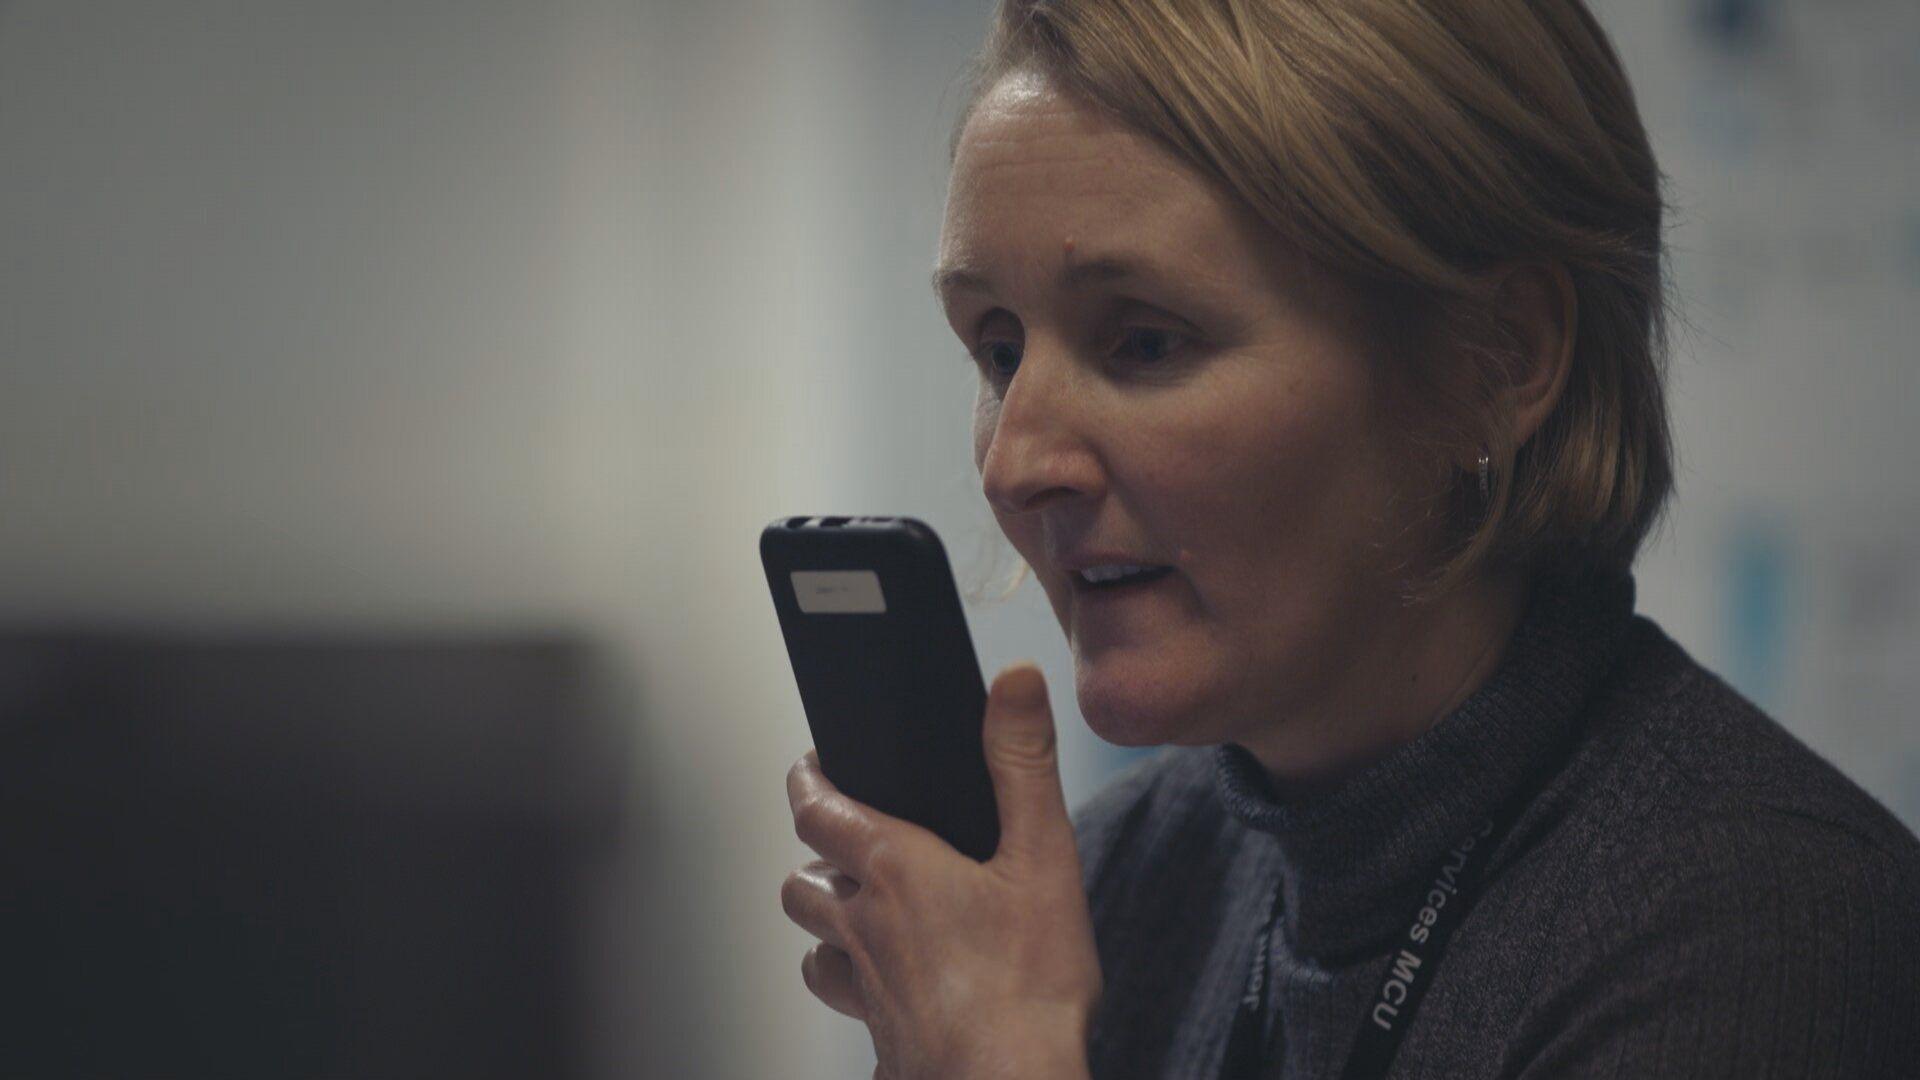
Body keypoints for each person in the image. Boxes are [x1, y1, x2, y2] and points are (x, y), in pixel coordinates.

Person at [779, 0, 1920, 1076]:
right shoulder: (1119, 876)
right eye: (999, 351)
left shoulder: (1776, 931)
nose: (1015, 464)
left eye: (1143, 341)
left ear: (1497, 358)